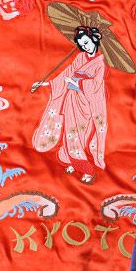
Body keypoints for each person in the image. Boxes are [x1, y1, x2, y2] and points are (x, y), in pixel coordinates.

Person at [32, 26, 108, 184]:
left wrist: (77, 83)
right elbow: (66, 74)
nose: (85, 47)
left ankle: (87, 169)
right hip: (71, 100)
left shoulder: (100, 63)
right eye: (82, 44)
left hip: (86, 104)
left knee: (80, 135)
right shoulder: (80, 58)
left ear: (94, 39)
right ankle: (75, 163)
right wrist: (46, 83)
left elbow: (95, 86)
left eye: (87, 42)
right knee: (70, 133)